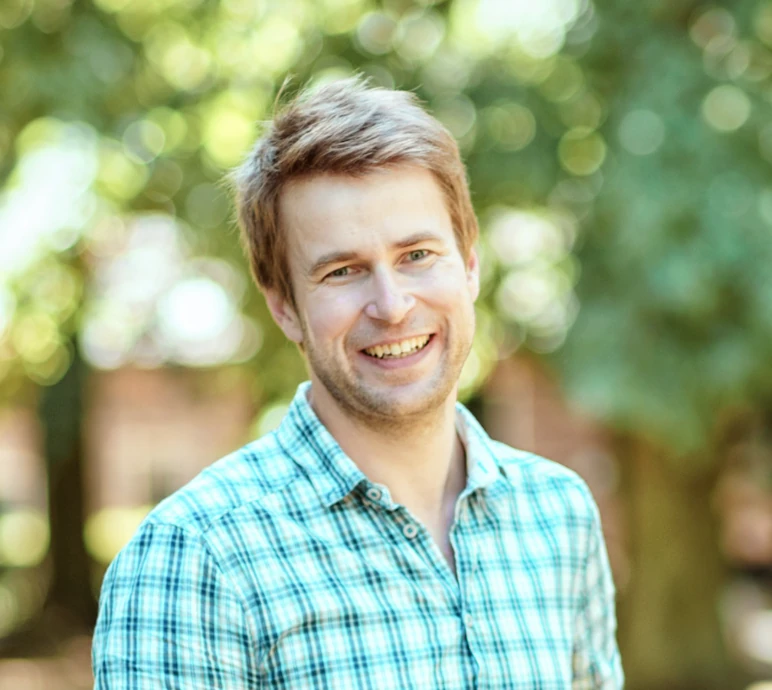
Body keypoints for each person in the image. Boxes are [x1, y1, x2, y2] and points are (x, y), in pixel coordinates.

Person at [92, 77, 624, 688]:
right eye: (343, 271)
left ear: (470, 265)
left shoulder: (558, 513)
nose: (392, 305)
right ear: (284, 307)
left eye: (418, 255)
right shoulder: (194, 559)